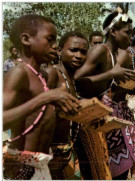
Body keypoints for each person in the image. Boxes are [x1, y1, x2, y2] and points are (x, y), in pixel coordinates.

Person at [75, 5, 135, 180]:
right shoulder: (100, 50)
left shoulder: (116, 53)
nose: (131, 38)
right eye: (127, 33)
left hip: (106, 115)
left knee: (116, 170)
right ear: (114, 32)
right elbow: (78, 79)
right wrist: (112, 74)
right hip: (92, 117)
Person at [3, 14, 80, 180]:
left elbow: (38, 116)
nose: (55, 47)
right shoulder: (18, 73)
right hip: (22, 168)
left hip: (41, 165)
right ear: (26, 39)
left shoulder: (42, 75)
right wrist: (44, 98)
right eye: (50, 40)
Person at [45, 31, 89, 179]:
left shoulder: (71, 78)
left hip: (67, 151)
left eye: (83, 52)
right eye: (73, 50)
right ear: (59, 50)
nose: (79, 55)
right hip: (50, 154)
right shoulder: (52, 74)